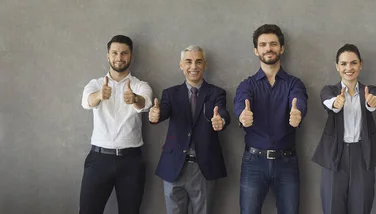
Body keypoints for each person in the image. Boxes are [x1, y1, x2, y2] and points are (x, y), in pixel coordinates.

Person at [234, 24, 308, 214]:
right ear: (256, 50)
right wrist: (243, 115)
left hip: (287, 162)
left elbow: (299, 100)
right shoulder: (247, 84)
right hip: (254, 162)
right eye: (263, 44)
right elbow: (241, 104)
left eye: (273, 44)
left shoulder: (294, 83)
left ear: (282, 49)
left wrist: (298, 112)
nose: (268, 48)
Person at [150, 45, 230, 214]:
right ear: (181, 65)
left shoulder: (216, 93)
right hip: (174, 167)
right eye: (188, 62)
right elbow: (163, 110)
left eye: (198, 62)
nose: (193, 66)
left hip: (204, 168)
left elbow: (222, 111)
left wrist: (220, 120)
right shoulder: (170, 93)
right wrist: (156, 114)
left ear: (205, 64)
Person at [79, 35, 153, 214]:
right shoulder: (95, 84)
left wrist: (134, 98)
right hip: (99, 159)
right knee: (88, 211)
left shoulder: (140, 85)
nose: (119, 57)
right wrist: (99, 96)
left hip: (131, 161)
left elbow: (146, 103)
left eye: (124, 53)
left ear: (131, 56)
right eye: (115, 53)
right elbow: (86, 102)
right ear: (108, 56)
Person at [312, 44, 376, 214]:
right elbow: (328, 102)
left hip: (362, 155)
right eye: (343, 64)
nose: (349, 68)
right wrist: (336, 103)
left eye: (353, 63)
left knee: (361, 207)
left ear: (361, 64)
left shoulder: (369, 90)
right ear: (337, 66)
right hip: (334, 156)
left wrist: (372, 102)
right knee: (332, 207)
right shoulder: (329, 90)